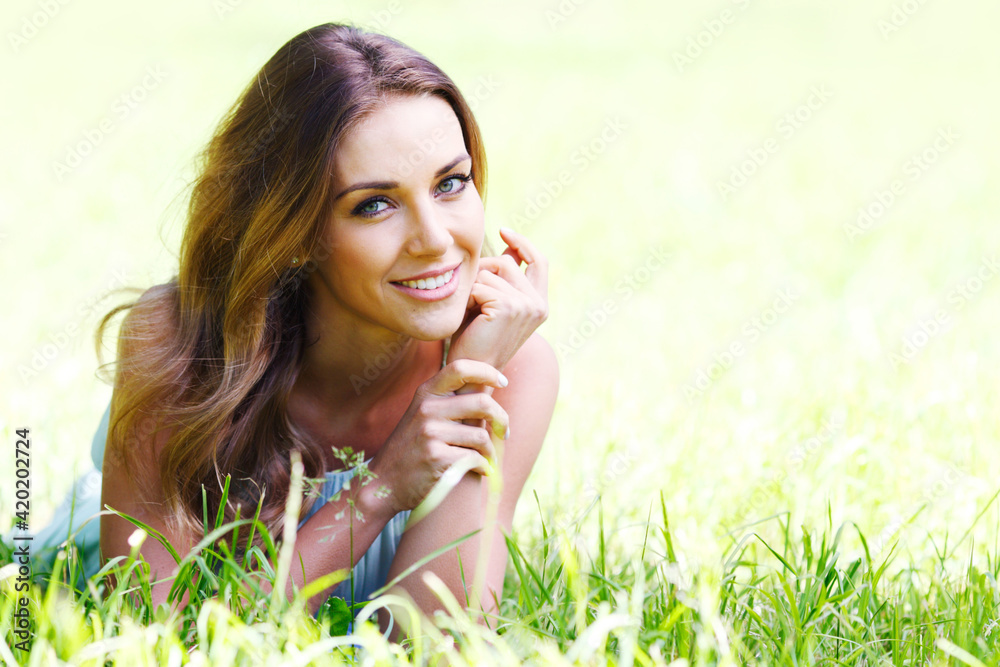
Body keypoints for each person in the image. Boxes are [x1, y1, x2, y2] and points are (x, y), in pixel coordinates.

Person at [17, 22, 558, 631]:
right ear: (295, 234)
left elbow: (433, 640)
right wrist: (382, 487)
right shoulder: (174, 340)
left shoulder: (511, 362)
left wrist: (469, 388)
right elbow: (161, 633)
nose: (436, 240)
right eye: (374, 204)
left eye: (450, 183)